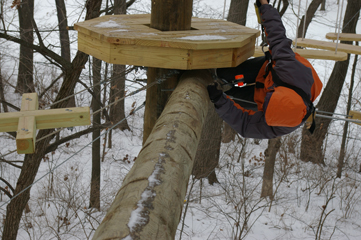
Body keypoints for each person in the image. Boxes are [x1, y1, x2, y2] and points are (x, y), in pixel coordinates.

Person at [207, 0, 323, 139]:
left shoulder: (283, 124)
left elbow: (246, 125)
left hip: (264, 96)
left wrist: (219, 100)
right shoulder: (288, 68)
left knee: (231, 97)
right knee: (225, 73)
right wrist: (264, 6)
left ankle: (219, 92)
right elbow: (276, 35)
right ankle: (218, 76)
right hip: (270, 71)